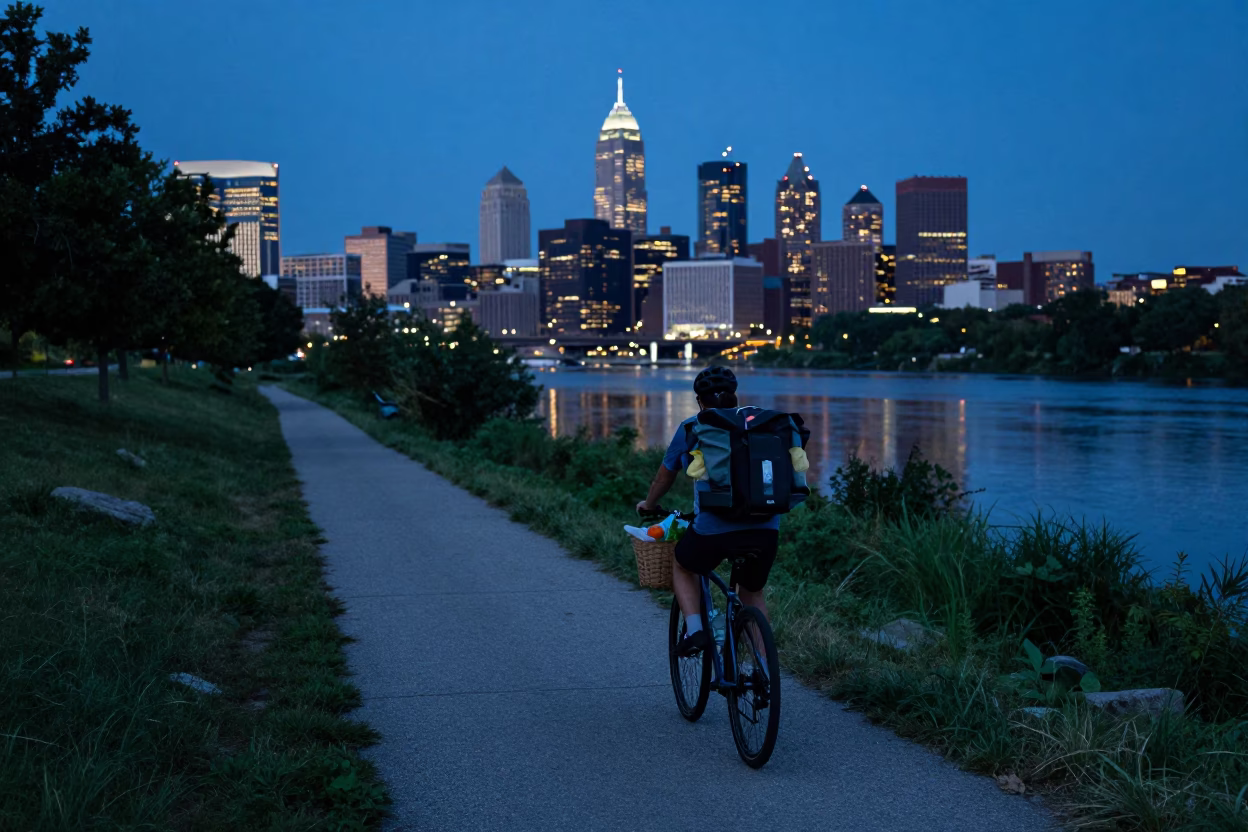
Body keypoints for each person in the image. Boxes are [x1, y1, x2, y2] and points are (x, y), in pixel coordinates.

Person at [636, 366, 781, 656]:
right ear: (735, 397)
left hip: (714, 529)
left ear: (700, 402)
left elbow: (665, 477)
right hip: (766, 528)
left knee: (683, 564)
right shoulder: (759, 423)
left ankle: (696, 630)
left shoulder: (692, 426)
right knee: (752, 593)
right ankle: (764, 669)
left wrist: (649, 505)